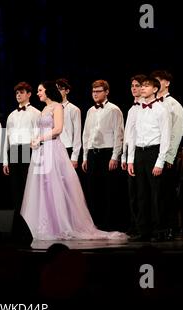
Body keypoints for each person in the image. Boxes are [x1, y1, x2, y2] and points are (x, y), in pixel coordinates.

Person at [20, 81, 127, 240]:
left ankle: (60, 225)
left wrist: (41, 138)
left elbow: (58, 129)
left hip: (53, 149)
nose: (38, 93)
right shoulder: (43, 109)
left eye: (40, 90)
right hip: (41, 151)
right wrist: (35, 140)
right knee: (42, 188)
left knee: (55, 187)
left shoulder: (57, 107)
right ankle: (43, 224)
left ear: (47, 91)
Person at [127, 77, 171, 241]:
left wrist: (160, 161)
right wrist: (130, 159)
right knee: (141, 194)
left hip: (154, 152)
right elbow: (132, 135)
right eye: (142, 86)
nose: (143, 88)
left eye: (146, 86)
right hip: (139, 153)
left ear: (154, 89)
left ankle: (159, 230)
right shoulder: (137, 109)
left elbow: (165, 137)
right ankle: (143, 230)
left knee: (156, 194)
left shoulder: (161, 109)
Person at [81, 80, 124, 230]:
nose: (95, 94)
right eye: (93, 91)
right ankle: (95, 223)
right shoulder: (90, 111)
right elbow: (86, 134)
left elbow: (118, 134)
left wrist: (115, 156)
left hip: (107, 153)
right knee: (93, 190)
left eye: (98, 91)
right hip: (93, 153)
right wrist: (85, 156)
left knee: (108, 190)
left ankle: (109, 223)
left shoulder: (114, 110)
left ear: (106, 92)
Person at [151, 70, 183, 239]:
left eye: (158, 81)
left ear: (167, 83)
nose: (155, 84)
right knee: (154, 193)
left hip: (166, 156)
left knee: (166, 192)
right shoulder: (151, 104)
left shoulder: (173, 105)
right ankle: (155, 226)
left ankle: (169, 227)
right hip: (152, 153)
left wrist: (169, 157)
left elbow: (176, 132)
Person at [2, 82, 40, 213]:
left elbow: (38, 134)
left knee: (27, 185)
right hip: (13, 150)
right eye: (17, 93)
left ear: (29, 94)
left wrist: (35, 154)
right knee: (15, 186)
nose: (18, 95)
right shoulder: (11, 115)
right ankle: (18, 217)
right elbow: (6, 138)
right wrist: (5, 161)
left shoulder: (36, 113)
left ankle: (30, 217)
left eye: (21, 92)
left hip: (27, 149)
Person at [121, 74, 147, 235]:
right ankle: (135, 223)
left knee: (141, 192)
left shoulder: (146, 108)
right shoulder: (132, 109)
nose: (134, 88)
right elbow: (128, 135)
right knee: (132, 193)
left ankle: (142, 226)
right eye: (132, 86)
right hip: (130, 154)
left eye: (138, 85)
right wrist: (124, 156)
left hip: (141, 152)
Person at [56, 78, 82, 169]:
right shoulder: (50, 109)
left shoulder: (74, 109)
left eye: (60, 89)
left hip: (67, 148)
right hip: (53, 149)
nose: (57, 92)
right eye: (56, 89)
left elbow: (77, 135)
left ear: (67, 91)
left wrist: (74, 157)